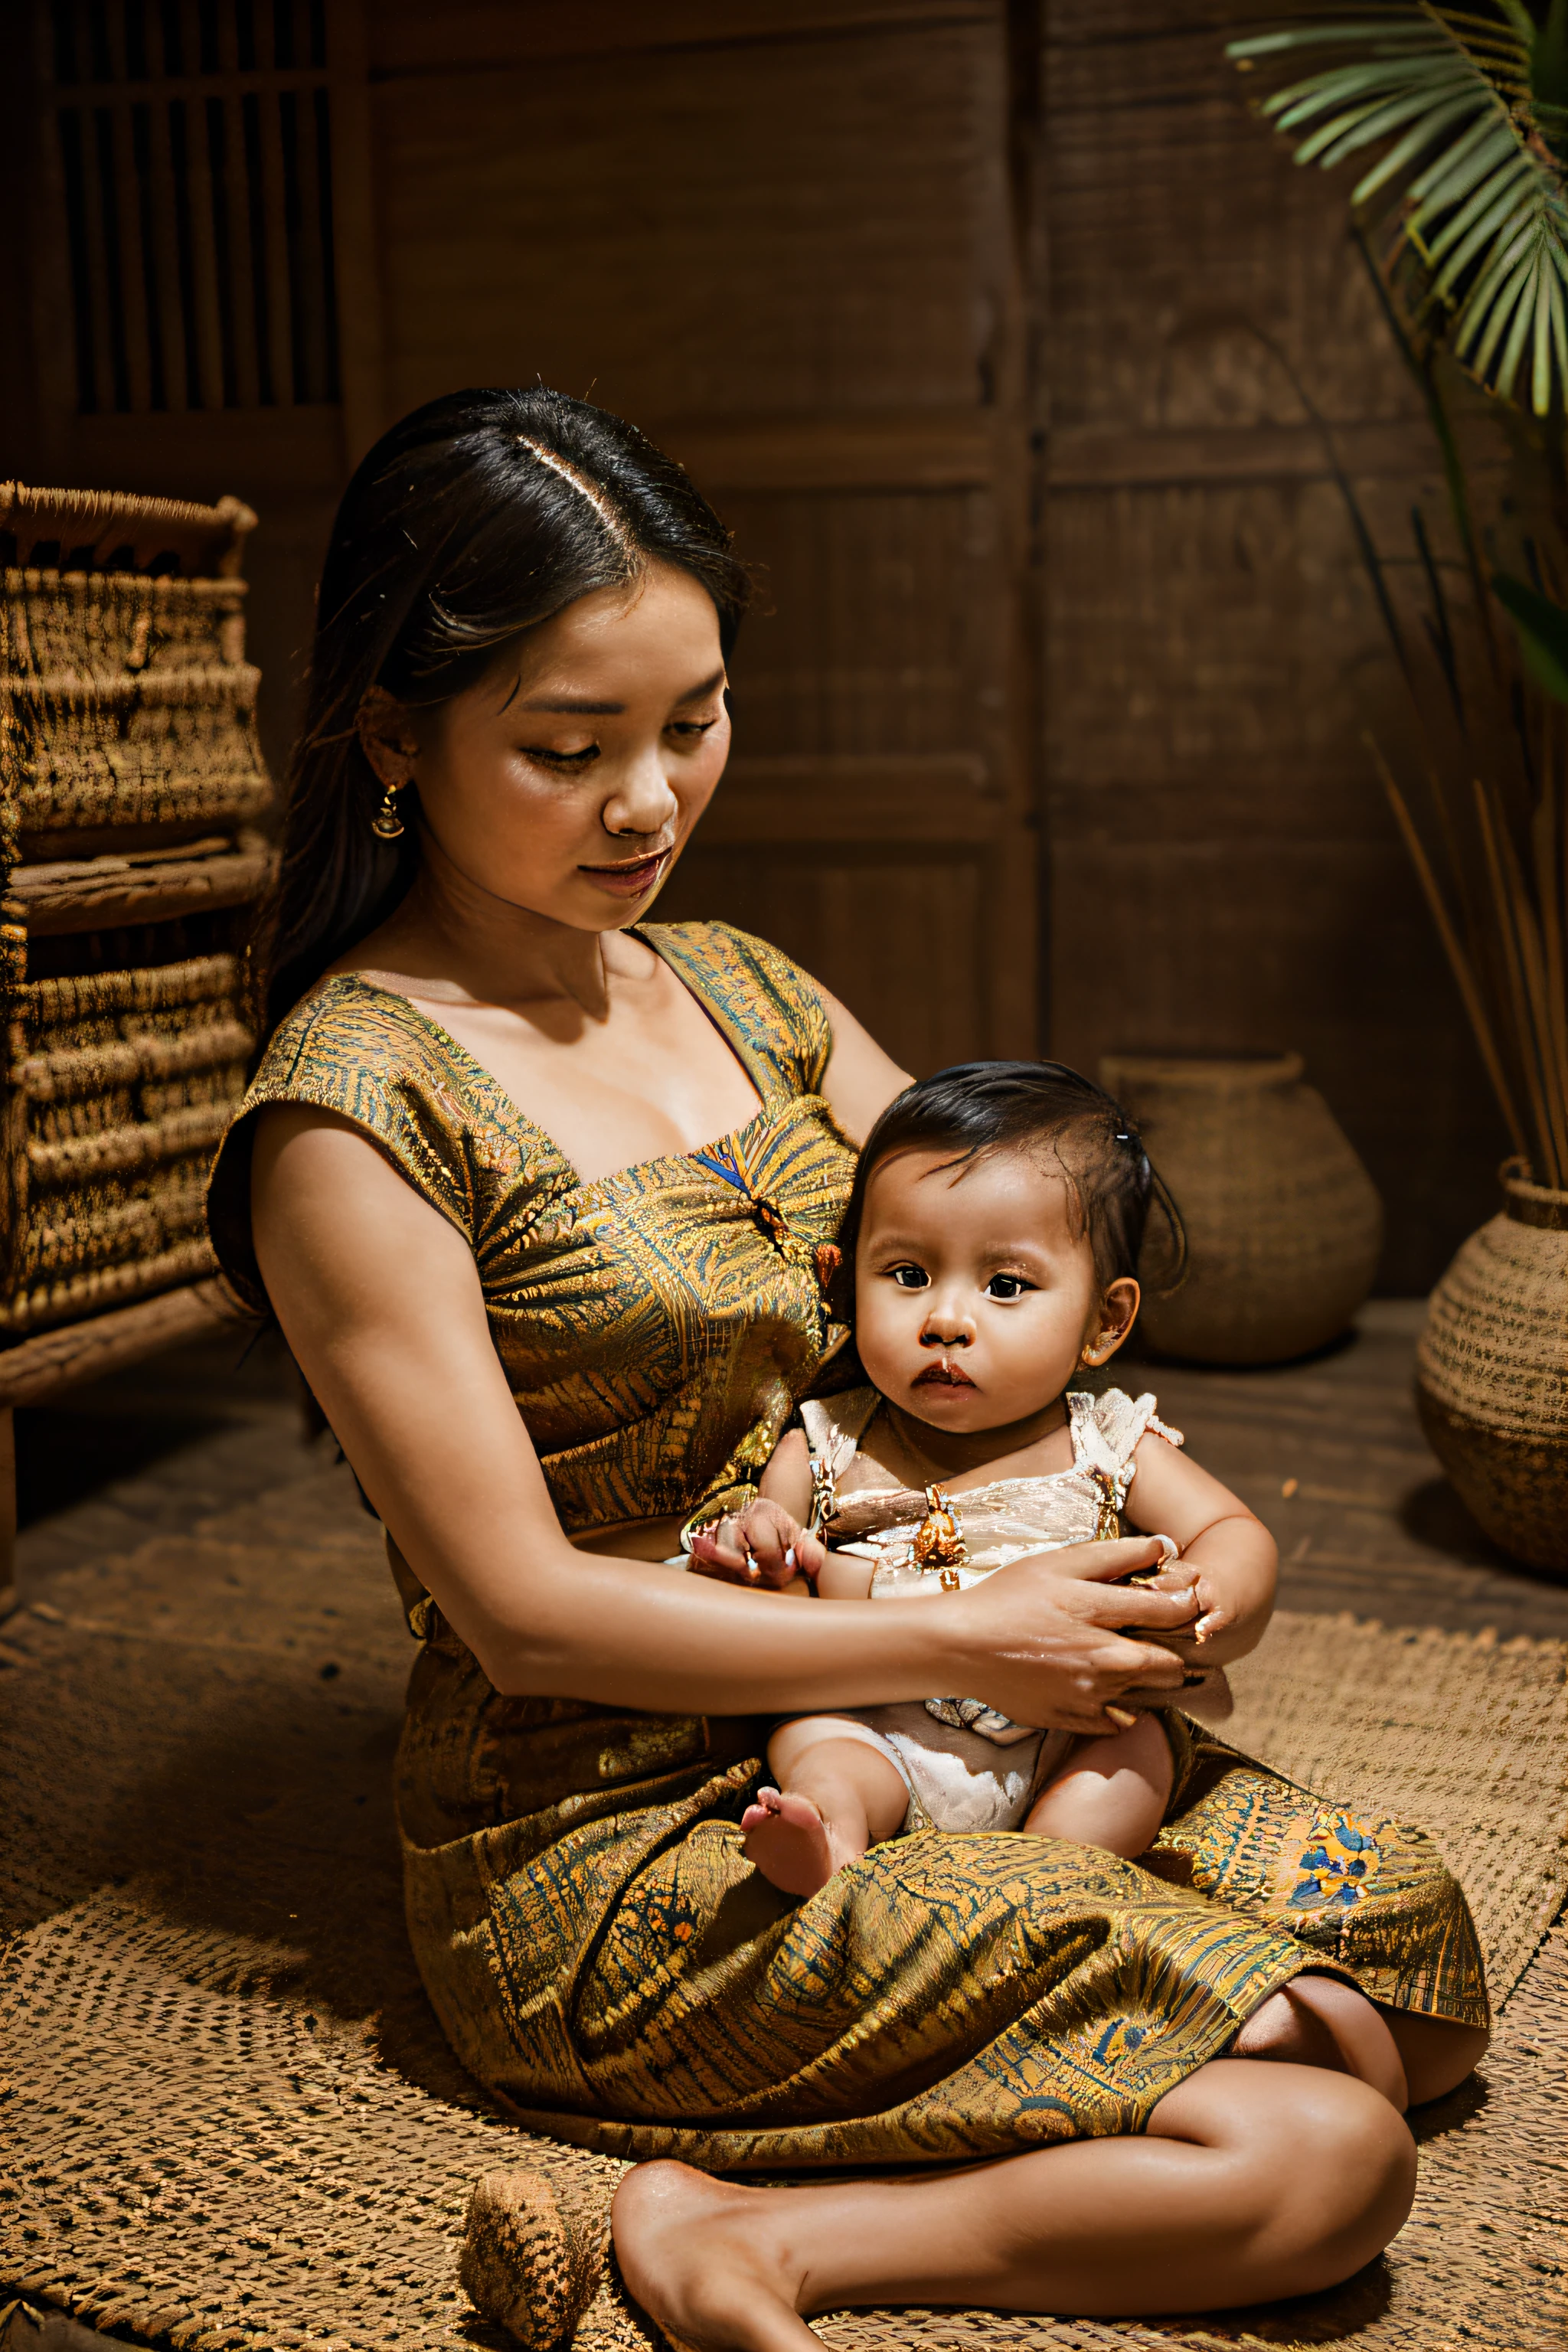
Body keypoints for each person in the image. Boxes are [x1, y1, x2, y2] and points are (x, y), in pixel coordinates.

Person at [207, 386, 1488, 2352]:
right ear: (392, 733)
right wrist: (991, 1650)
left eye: (691, 719)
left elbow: (1018, 1276)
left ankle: (895, 2108)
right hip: (624, 1815)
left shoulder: (746, 985)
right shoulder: (355, 1113)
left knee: (1408, 1956)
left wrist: (1154, 1547)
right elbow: (527, 1616)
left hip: (942, 1700)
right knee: (1326, 2153)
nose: (650, 799)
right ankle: (749, 2234)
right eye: (570, 749)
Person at [696, 1060, 1259, 1900]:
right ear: (845, 1281)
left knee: (1134, 1756)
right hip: (880, 1721)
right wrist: (760, 1551)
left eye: (1004, 1286)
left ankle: (1049, 1875)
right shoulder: (824, 1443)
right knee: (817, 1743)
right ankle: (830, 1835)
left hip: (1068, 1731)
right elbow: (768, 1619)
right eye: (908, 1275)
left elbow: (1233, 1533)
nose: (946, 1321)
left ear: (1103, 1322)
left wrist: (1207, 1594)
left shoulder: (1106, 1440)